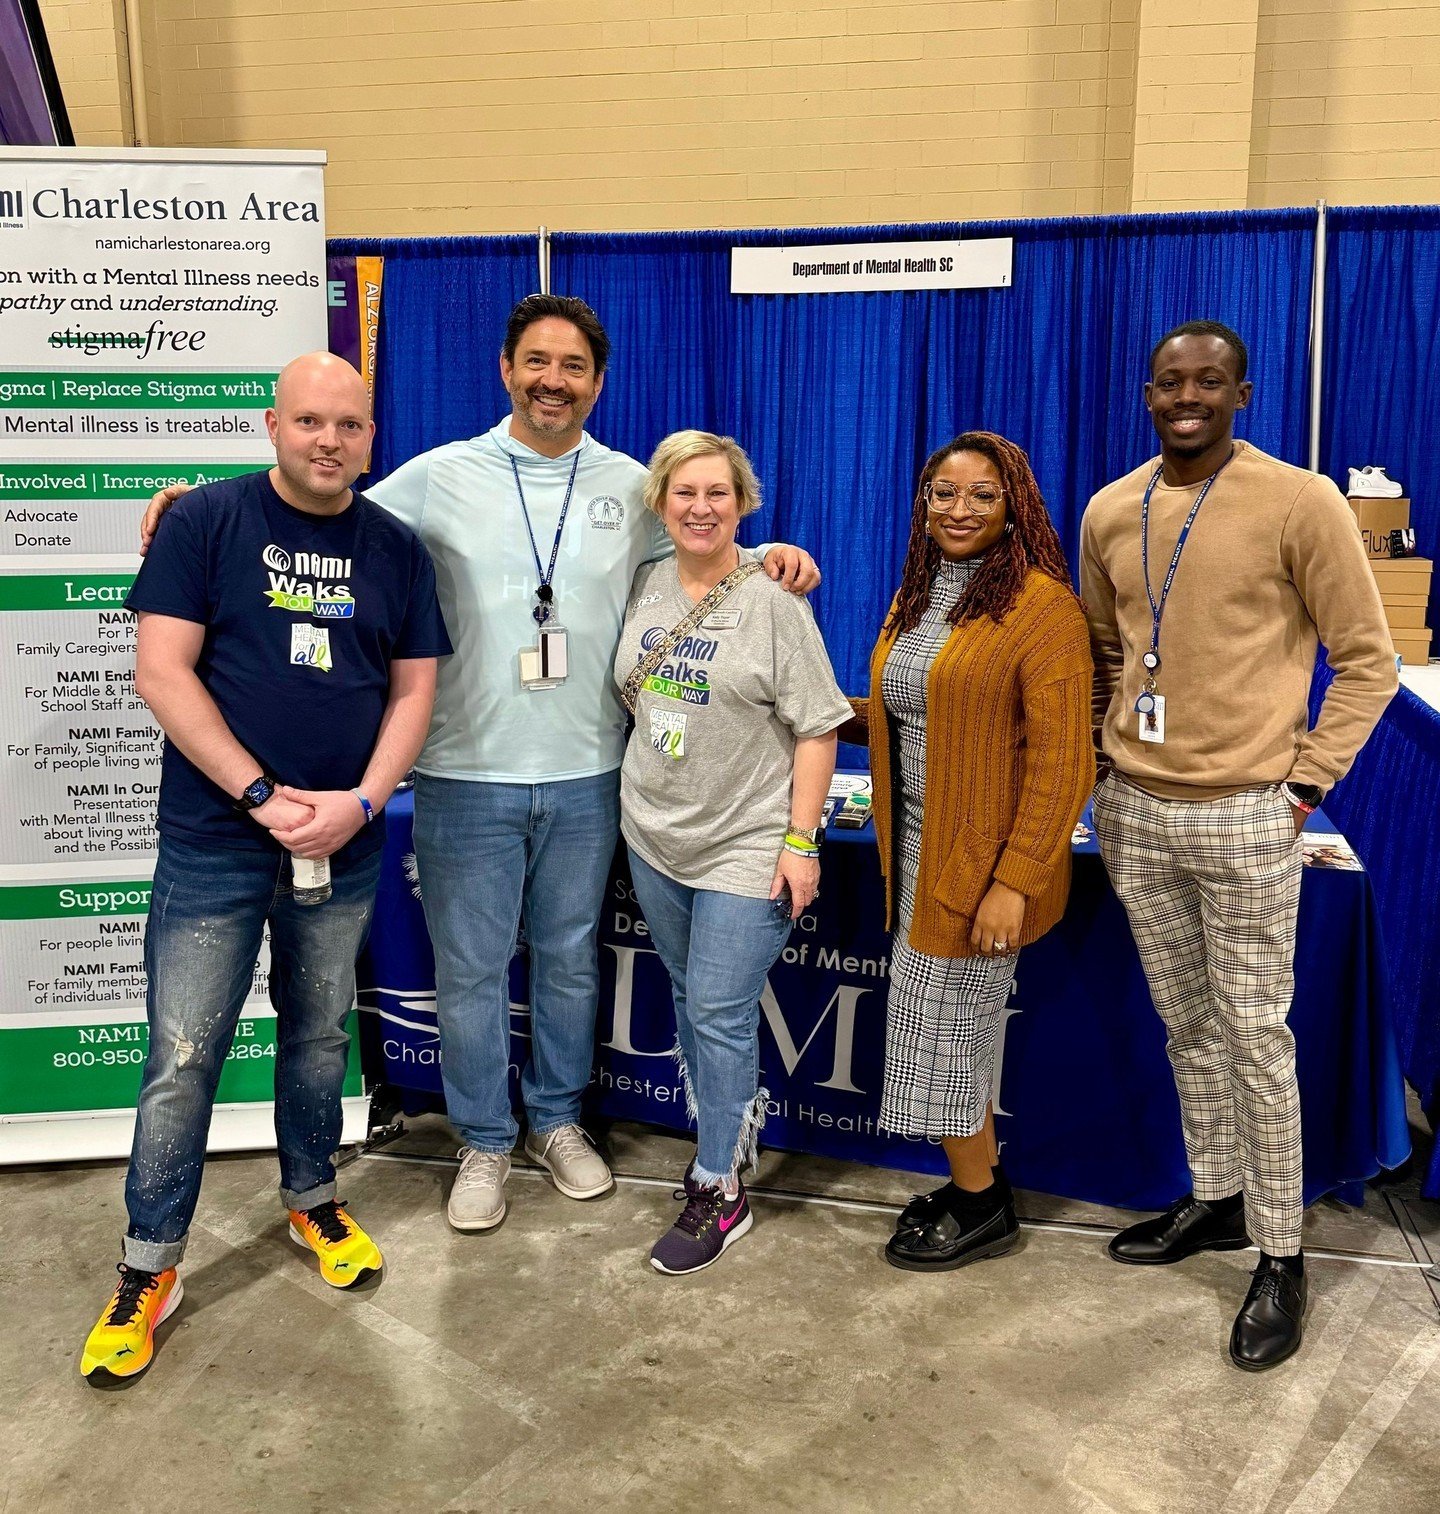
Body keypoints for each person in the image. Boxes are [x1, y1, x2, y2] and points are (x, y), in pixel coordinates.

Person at [141, 295, 819, 1236]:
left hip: (590, 775)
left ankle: (555, 1120)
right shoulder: (438, 475)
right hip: (462, 773)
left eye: (573, 366)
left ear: (597, 381)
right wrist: (192, 508)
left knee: (572, 964)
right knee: (468, 971)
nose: (554, 379)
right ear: (505, 369)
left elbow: (712, 551)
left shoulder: (631, 486)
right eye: (536, 361)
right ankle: (484, 1140)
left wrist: (778, 552)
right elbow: (313, 509)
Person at [82, 354, 451, 1386]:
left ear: (371, 434)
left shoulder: (397, 550)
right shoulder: (204, 522)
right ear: (272, 424)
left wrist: (362, 803)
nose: (328, 440)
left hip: (345, 839)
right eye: (309, 421)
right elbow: (162, 669)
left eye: (348, 424)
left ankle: (311, 1196)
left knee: (316, 1035)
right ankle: (149, 1263)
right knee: (184, 1052)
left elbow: (413, 693)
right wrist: (260, 795)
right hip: (215, 838)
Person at [1081, 320, 1397, 1371]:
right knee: (1189, 1027)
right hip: (1135, 808)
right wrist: (1099, 762)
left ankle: (1280, 1249)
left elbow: (1368, 661)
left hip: (1249, 811)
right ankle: (1213, 1198)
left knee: (1257, 1035)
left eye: (1209, 380)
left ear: (1243, 395)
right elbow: (1101, 649)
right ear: (1147, 391)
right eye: (1170, 379)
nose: (1188, 395)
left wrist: (1303, 783)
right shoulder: (1110, 508)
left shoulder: (1302, 500)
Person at [842, 431, 1094, 1272]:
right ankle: (970, 1182)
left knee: (951, 1034)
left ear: (1013, 502)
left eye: (982, 495)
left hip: (980, 864)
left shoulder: (1042, 607)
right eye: (942, 493)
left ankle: (984, 1206)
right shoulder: (919, 594)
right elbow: (906, 708)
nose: (958, 510)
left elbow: (1066, 763)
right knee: (937, 1026)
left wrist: (1013, 882)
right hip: (913, 850)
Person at [614, 432, 851, 1274]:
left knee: (715, 1009)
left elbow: (821, 727)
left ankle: (720, 1185)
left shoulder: (775, 599)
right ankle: (723, 1139)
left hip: (748, 844)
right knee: (691, 997)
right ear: (661, 502)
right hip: (653, 833)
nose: (701, 508)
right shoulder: (644, 584)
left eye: (718, 493)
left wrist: (800, 842)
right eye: (685, 493)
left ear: (743, 502)